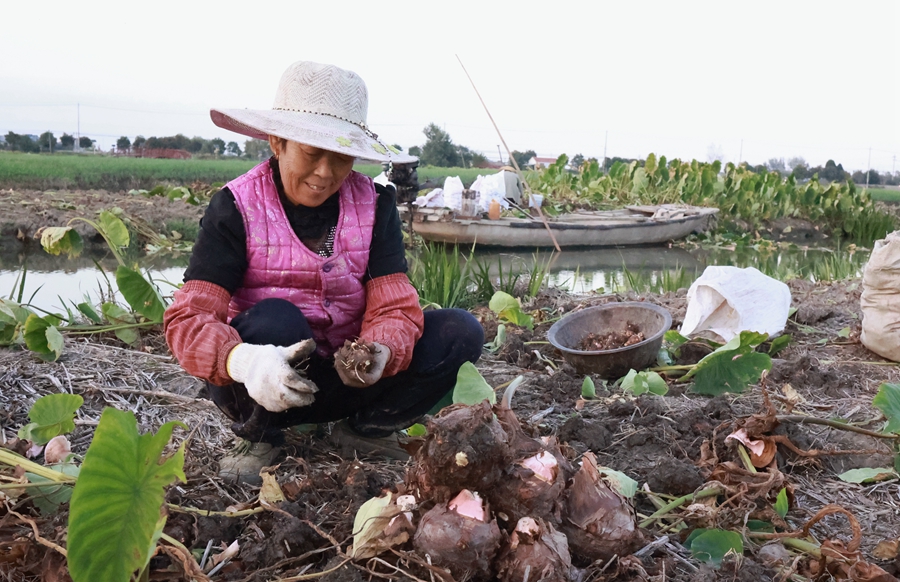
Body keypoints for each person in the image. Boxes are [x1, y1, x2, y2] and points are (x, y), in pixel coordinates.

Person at [164, 60, 484, 484]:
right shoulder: (235, 208)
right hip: (263, 381)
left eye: (341, 158)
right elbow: (188, 319)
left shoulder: (376, 206)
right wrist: (244, 362)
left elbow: (394, 305)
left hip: (348, 381)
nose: (326, 174)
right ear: (278, 142)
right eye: (313, 154)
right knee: (276, 318)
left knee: (460, 330)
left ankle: (364, 429)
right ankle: (261, 437)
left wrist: (380, 351)